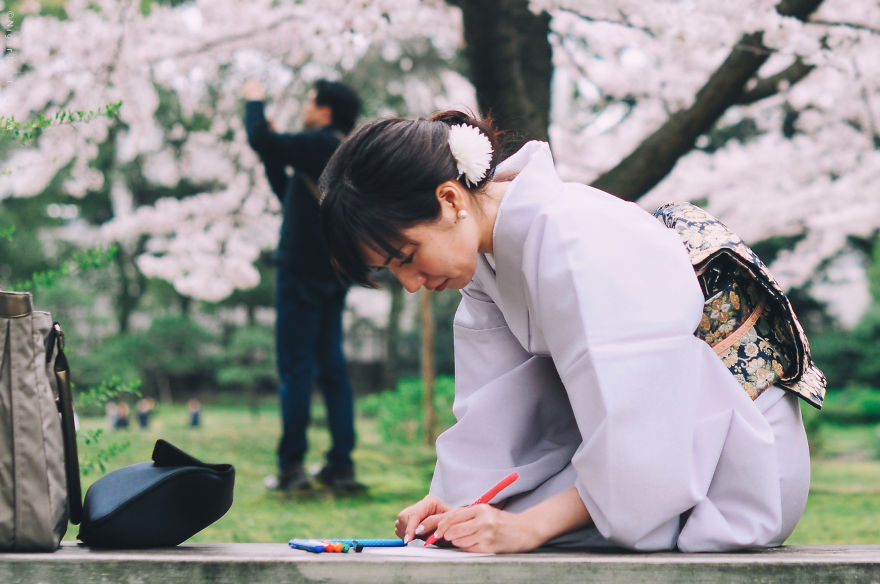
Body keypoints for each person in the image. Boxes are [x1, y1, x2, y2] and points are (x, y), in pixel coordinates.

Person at [318, 110, 822, 552]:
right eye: (392, 270)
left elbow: (645, 418)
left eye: (406, 256)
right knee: (469, 531)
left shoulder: (576, 238)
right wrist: (451, 504)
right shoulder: (486, 266)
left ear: (450, 199)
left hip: (733, 469)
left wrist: (528, 528)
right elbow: (493, 407)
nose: (410, 284)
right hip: (648, 464)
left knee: (517, 526)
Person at [243, 79, 364, 493]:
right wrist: (274, 155)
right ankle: (340, 466)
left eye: (311, 101)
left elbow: (260, 138)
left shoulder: (317, 143)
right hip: (334, 277)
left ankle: (291, 467)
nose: (306, 107)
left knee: (296, 369)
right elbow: (290, 193)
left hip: (299, 275)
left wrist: (253, 99)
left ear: (326, 110)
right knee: (332, 370)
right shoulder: (347, 154)